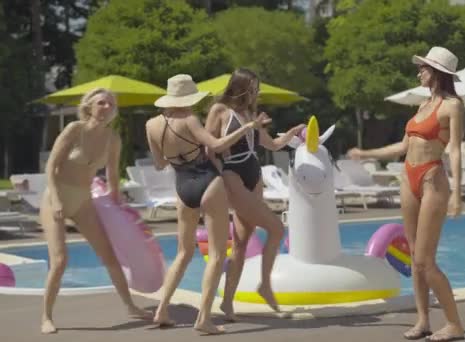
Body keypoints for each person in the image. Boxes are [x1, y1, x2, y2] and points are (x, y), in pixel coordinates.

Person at [348, 47, 465, 342]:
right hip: (408, 178)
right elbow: (401, 147)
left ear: (437, 73)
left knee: (426, 261)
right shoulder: (421, 106)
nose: (419, 72)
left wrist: (458, 194)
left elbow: (454, 150)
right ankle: (423, 320)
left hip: (432, 180)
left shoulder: (452, 106)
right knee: (414, 260)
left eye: (423, 68)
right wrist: (366, 153)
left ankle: (454, 324)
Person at [145, 74, 270, 334]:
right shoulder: (189, 119)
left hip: (182, 185)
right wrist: (248, 128)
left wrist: (178, 152)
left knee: (183, 252)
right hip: (207, 182)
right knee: (215, 255)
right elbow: (217, 144)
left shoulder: (151, 125)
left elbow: (159, 164)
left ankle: (162, 309)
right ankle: (203, 319)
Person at [40, 88, 150, 334]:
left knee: (109, 256)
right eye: (102, 103)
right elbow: (51, 166)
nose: (107, 108)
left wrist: (119, 202)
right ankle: (46, 317)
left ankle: (130, 306)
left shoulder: (113, 139)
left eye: (111, 104)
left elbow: (112, 176)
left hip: (83, 201)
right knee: (60, 261)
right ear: (89, 106)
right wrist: (56, 199)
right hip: (55, 198)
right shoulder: (74, 130)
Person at [204, 68, 305, 320]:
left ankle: (227, 303)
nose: (256, 93)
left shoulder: (249, 113)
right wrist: (219, 177)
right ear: (240, 88)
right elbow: (209, 148)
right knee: (277, 229)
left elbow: (270, 144)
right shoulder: (220, 111)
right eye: (253, 89)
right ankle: (265, 286)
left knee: (240, 243)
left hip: (254, 174)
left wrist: (291, 135)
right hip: (232, 174)